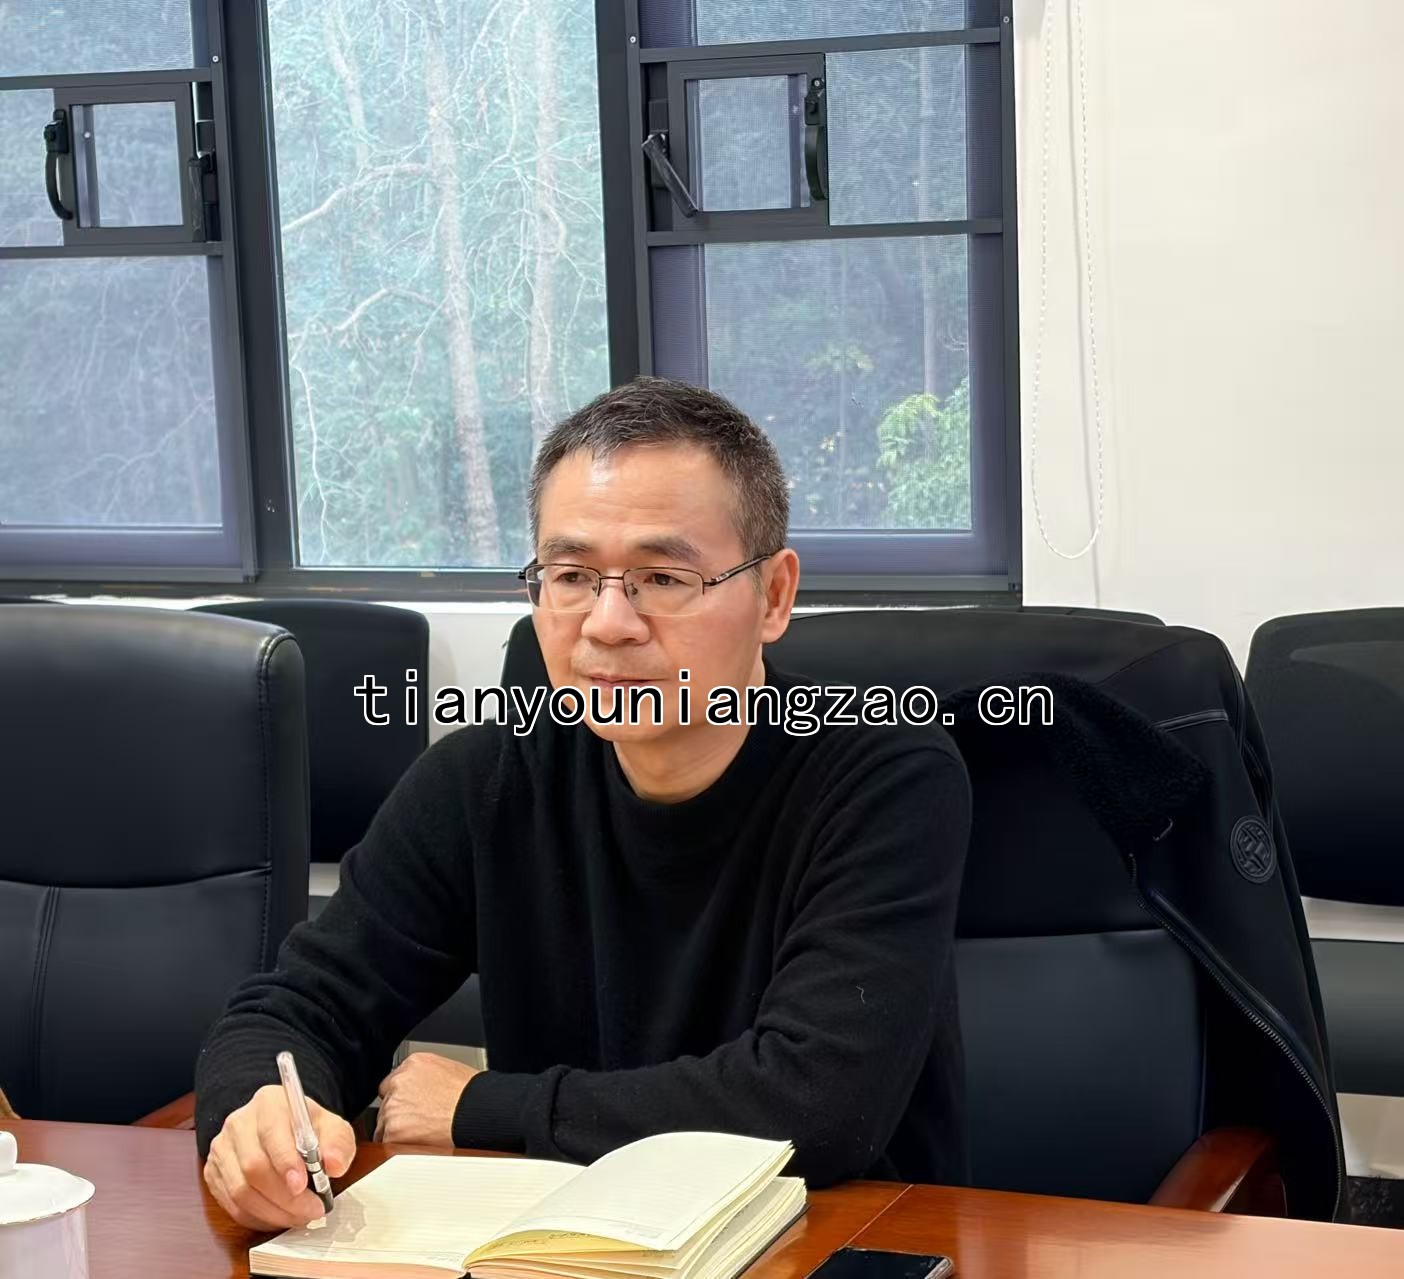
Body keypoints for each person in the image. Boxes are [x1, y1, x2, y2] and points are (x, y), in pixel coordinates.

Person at [195, 377, 971, 1230]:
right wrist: (261, 1119)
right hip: (571, 1246)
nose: (607, 623)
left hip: (830, 1238)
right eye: (570, 575)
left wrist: (487, 1106)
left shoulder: (884, 776)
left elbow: (816, 1104)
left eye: (663, 576)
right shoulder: (483, 780)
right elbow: (293, 1009)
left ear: (774, 596)